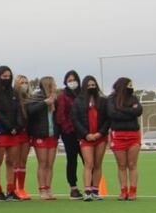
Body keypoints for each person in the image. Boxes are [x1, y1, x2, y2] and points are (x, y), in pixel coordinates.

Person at [0, 66, 27, 202]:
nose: (7, 78)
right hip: (0, 131)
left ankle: (11, 190)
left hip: (14, 132)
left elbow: (18, 110)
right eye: (4, 76)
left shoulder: (14, 92)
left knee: (11, 161)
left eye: (9, 76)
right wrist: (9, 126)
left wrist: (18, 126)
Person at [72, 76, 109, 201]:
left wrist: (100, 133)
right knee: (89, 163)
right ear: (84, 87)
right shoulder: (78, 102)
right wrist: (86, 134)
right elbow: (75, 120)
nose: (91, 87)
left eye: (93, 85)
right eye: (89, 85)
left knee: (98, 164)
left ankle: (95, 190)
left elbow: (107, 119)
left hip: (100, 137)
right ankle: (87, 191)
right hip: (86, 138)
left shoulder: (103, 101)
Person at [107, 77, 143, 201]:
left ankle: (133, 191)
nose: (131, 87)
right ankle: (123, 190)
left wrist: (122, 109)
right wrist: (130, 111)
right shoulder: (111, 99)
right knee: (121, 165)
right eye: (129, 85)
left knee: (132, 164)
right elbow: (113, 114)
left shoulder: (134, 98)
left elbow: (138, 111)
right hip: (118, 136)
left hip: (134, 135)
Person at [26, 77, 59, 200]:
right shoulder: (36, 98)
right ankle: (42, 189)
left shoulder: (56, 99)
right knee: (43, 163)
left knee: (50, 164)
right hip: (40, 135)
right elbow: (30, 111)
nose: (54, 86)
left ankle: (48, 188)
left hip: (52, 135)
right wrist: (44, 103)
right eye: (52, 84)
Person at [56, 71, 83, 199]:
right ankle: (73, 187)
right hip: (70, 133)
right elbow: (60, 116)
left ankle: (91, 187)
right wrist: (68, 129)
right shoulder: (62, 96)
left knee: (88, 160)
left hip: (84, 133)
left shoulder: (83, 95)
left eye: (74, 79)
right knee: (72, 160)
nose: (72, 82)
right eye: (69, 80)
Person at [12, 74, 33, 199]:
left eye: (26, 83)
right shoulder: (13, 98)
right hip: (16, 133)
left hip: (26, 133)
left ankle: (21, 188)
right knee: (15, 162)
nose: (24, 85)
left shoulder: (30, 99)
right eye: (21, 83)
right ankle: (13, 188)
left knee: (23, 161)